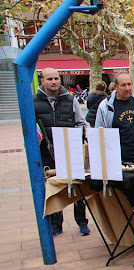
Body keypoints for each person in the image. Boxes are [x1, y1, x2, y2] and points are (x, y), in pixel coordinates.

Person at [95, 72, 134, 267]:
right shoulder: (106, 107)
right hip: (122, 163)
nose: (127, 88)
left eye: (129, 84)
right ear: (114, 87)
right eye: (123, 85)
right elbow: (100, 135)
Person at [34, 67, 90, 237]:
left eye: (56, 78)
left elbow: (81, 122)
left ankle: (82, 222)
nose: (54, 82)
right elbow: (29, 126)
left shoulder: (70, 99)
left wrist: (79, 136)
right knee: (52, 188)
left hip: (69, 148)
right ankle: (55, 224)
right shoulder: (33, 101)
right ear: (42, 80)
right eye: (50, 79)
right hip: (46, 152)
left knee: (77, 187)